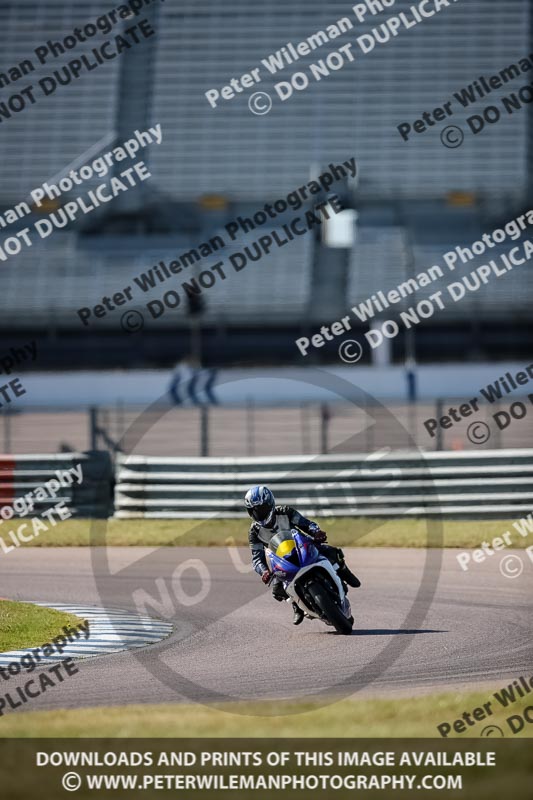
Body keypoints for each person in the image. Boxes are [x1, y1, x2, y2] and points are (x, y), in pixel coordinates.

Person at [245, 485, 360, 625]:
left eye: (261, 509)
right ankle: (296, 606)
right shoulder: (254, 531)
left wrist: (316, 532)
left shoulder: (285, 512)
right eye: (254, 511)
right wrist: (263, 571)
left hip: (302, 545)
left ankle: (344, 572)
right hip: (282, 561)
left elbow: (306, 524)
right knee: (276, 590)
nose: (258, 514)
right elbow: (257, 558)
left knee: (331, 552)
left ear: (270, 504)